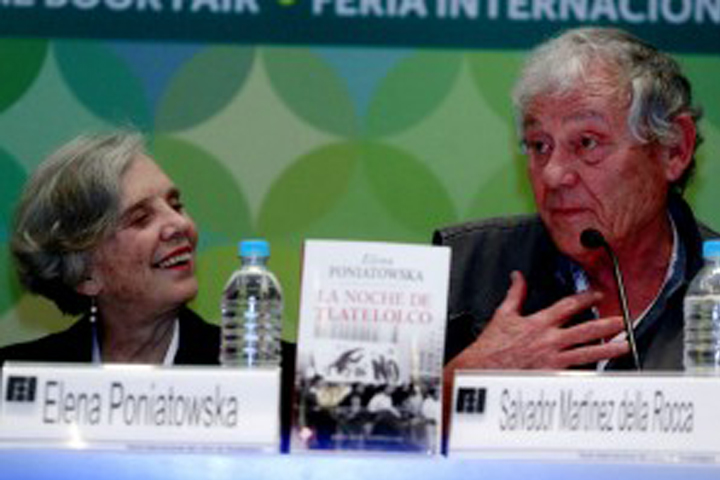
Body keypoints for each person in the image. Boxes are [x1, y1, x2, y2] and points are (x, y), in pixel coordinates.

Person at [434, 27, 719, 386]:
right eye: (539, 145)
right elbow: (371, 414)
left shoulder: (713, 282)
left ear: (674, 149)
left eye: (586, 143)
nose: (553, 175)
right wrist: (461, 380)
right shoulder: (463, 271)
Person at [0, 131, 220, 365]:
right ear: (85, 276)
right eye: (141, 218)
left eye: (175, 205)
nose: (181, 224)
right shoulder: (15, 375)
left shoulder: (242, 369)